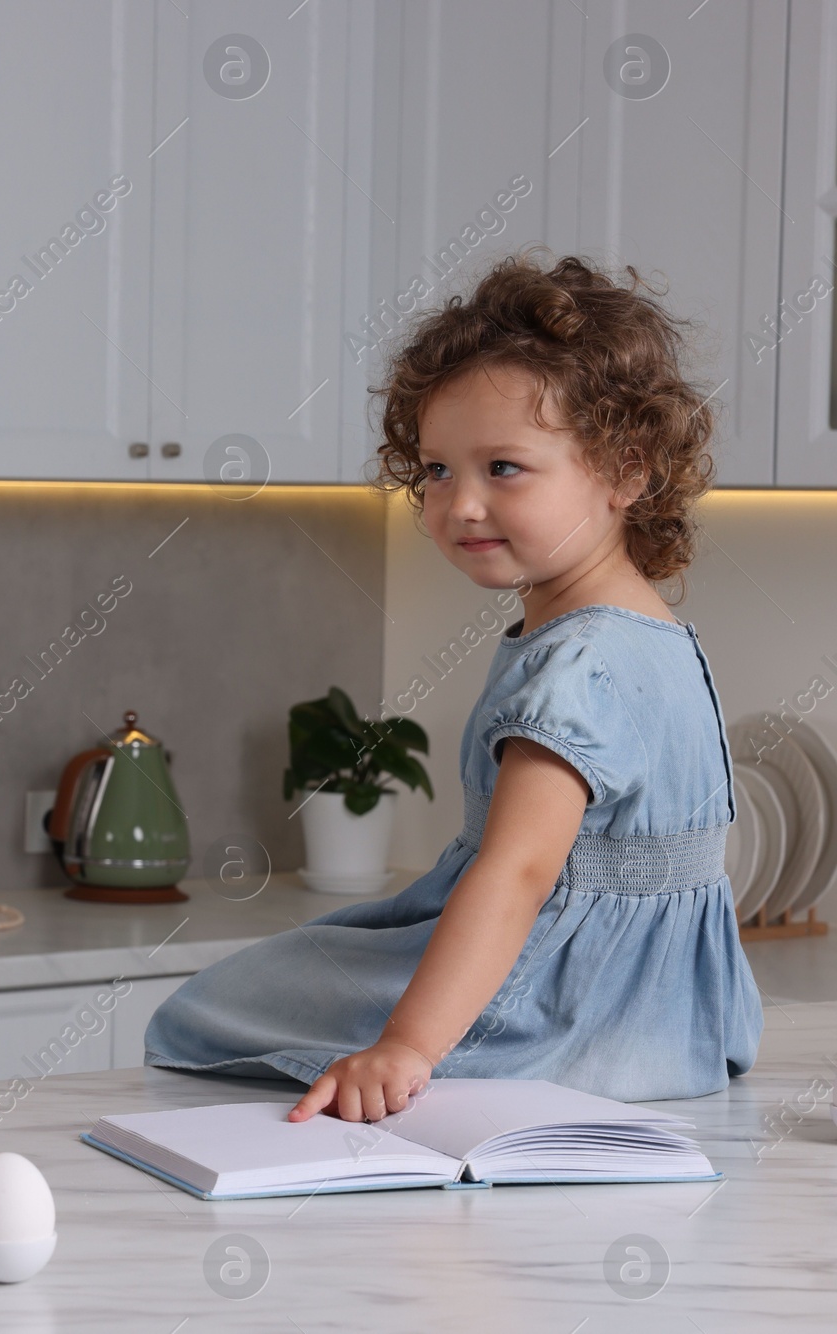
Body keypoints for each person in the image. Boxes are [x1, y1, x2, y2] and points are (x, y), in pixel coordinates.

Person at [144, 251, 764, 1122]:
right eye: (437, 470)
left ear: (626, 471)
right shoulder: (661, 639)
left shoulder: (576, 664)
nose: (460, 504)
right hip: (678, 1021)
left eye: (502, 468)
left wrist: (406, 1046)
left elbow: (516, 875)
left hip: (559, 1012)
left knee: (220, 1003)